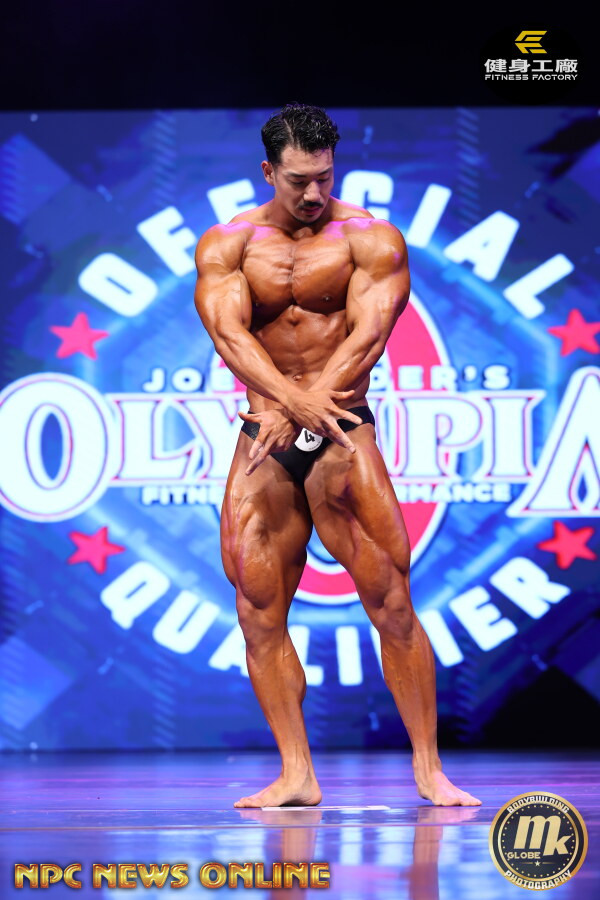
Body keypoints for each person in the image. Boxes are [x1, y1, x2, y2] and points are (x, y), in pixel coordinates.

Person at [194, 102, 481, 808]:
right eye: (298, 180)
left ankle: (429, 769)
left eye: (324, 176)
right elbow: (230, 337)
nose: (314, 193)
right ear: (268, 172)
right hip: (265, 438)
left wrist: (306, 405)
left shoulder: (370, 239)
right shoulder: (228, 245)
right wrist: (288, 403)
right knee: (258, 609)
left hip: (343, 435)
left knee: (392, 601)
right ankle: (296, 772)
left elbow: (369, 335)